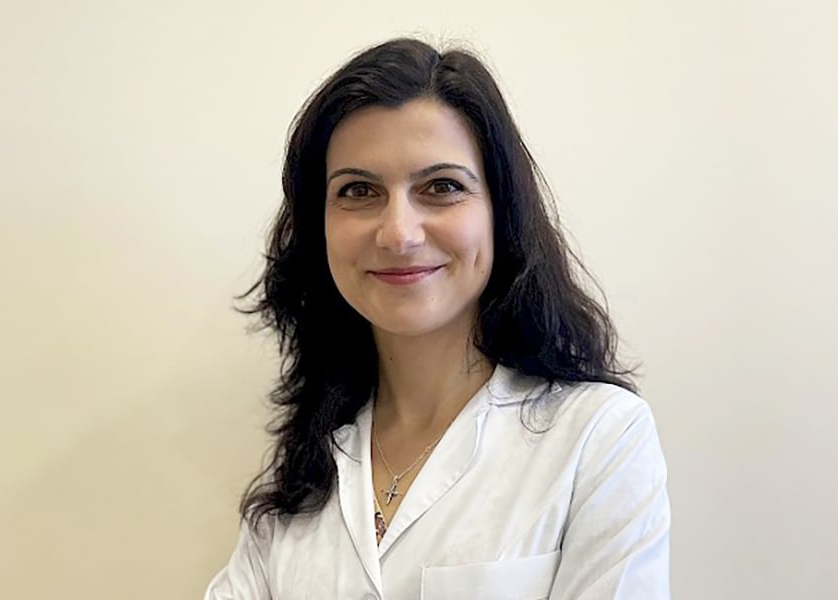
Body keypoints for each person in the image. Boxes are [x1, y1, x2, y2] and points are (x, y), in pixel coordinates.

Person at [205, 37, 670, 599]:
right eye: (358, 190)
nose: (398, 233)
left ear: (501, 212)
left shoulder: (598, 437)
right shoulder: (304, 472)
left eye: (442, 187)